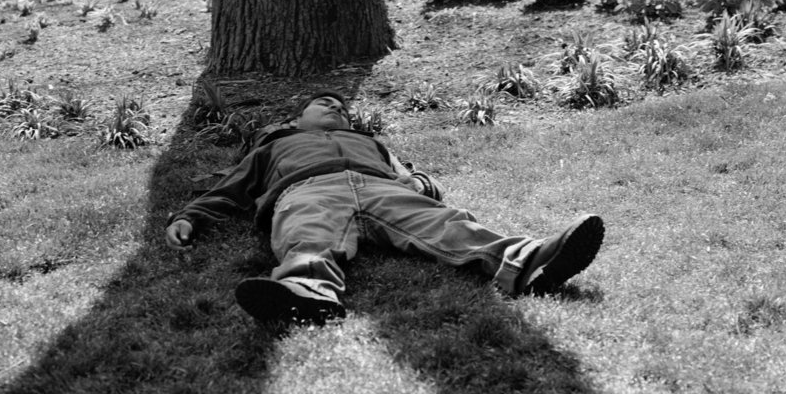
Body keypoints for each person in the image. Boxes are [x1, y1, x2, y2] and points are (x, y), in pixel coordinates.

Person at [164, 92, 606, 329]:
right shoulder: (274, 146)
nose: (336, 108)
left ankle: (527, 261)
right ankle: (307, 289)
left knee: (445, 223)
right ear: (298, 120)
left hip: (381, 189)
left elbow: (417, 178)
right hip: (309, 191)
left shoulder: (370, 143)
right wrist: (189, 217)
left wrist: (417, 183)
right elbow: (230, 188)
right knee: (306, 233)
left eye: (342, 107)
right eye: (324, 105)